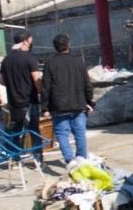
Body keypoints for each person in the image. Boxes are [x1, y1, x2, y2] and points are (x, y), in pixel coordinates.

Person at [40, 34, 95, 165]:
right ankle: (82, 159)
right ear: (68, 45)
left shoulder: (50, 63)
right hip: (78, 104)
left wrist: (45, 107)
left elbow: (45, 87)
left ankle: (70, 160)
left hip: (58, 106)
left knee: (62, 135)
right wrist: (89, 101)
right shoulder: (78, 61)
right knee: (80, 134)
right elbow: (87, 84)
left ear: (55, 47)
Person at [0, 32, 43, 161]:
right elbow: (37, 80)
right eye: (30, 41)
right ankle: (38, 159)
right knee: (34, 130)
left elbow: (1, 81)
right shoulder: (30, 58)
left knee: (16, 130)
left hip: (14, 101)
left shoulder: (6, 60)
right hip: (29, 100)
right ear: (24, 42)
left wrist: (13, 85)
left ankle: (15, 158)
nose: (31, 44)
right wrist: (41, 92)